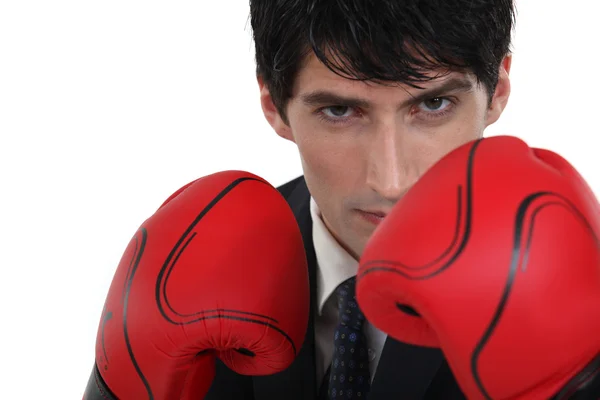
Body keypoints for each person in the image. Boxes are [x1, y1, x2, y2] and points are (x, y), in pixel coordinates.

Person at [206, 0, 515, 398]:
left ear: (497, 92)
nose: (391, 182)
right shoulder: (203, 267)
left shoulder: (576, 294)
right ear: (273, 104)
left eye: (433, 104)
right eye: (339, 110)